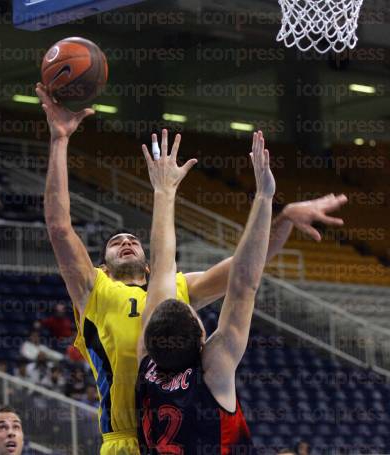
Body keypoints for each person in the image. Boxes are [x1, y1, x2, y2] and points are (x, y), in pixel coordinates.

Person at [35, 82, 347, 454]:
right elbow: (58, 227)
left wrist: (283, 219)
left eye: (133, 239)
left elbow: (247, 267)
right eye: (115, 242)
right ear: (101, 266)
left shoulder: (172, 294)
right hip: (125, 439)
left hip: (158, 425)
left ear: (150, 267)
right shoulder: (95, 291)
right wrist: (59, 140)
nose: (126, 241)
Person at [136, 131, 273, 453]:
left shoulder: (147, 365)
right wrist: (265, 197)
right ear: (202, 340)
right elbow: (243, 285)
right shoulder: (212, 373)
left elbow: (165, 267)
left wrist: (164, 191)